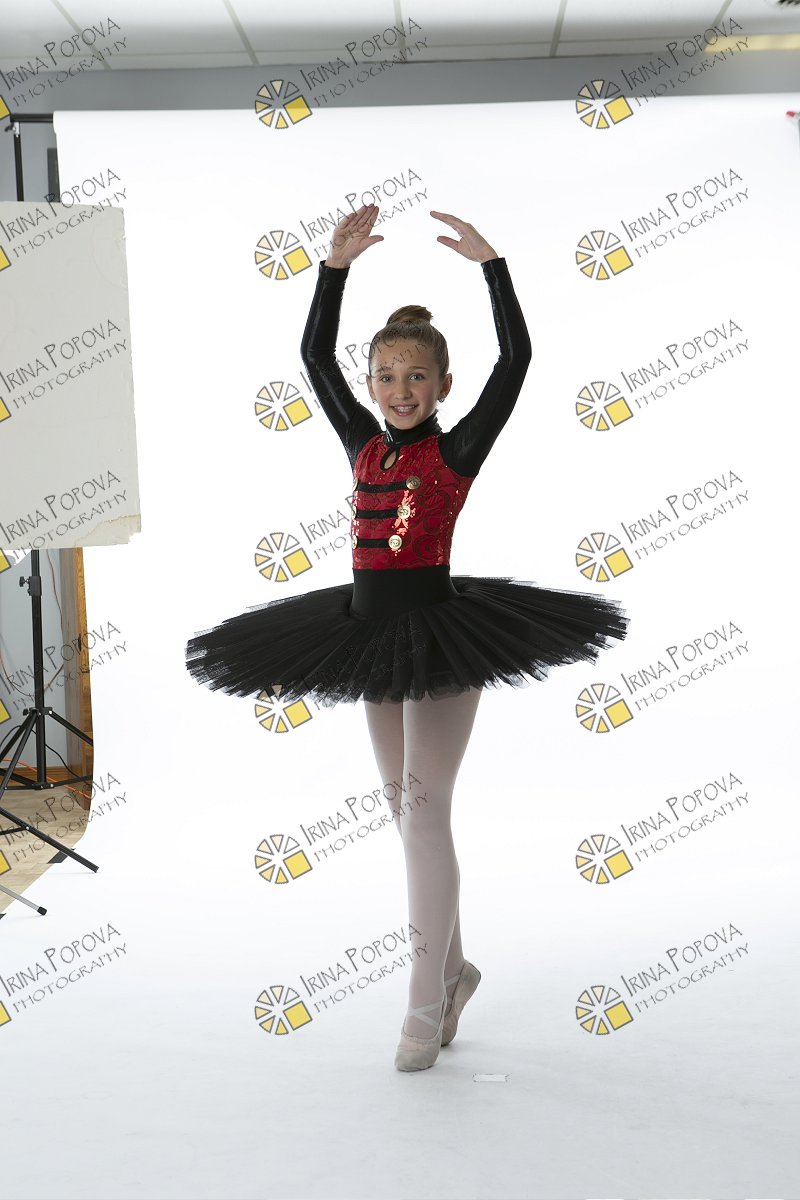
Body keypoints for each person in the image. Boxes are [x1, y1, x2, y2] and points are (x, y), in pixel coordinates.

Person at [185, 205, 631, 1072]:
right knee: (404, 814)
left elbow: (517, 361)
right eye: (386, 376)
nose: (399, 390)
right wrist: (333, 270)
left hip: (444, 638)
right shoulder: (363, 444)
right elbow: (315, 360)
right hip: (364, 635)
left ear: (442, 385)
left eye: (416, 376)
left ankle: (425, 1002)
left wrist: (494, 267)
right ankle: (457, 970)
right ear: (372, 384)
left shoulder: (454, 453)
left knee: (425, 815)